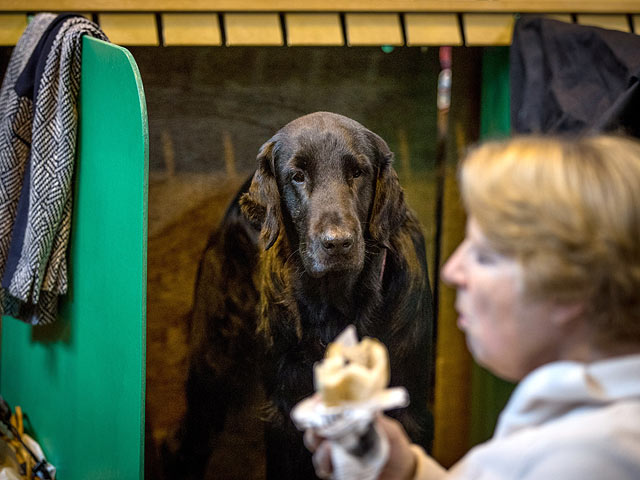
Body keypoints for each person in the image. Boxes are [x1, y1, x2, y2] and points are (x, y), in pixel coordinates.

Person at [304, 134, 640, 479]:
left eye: (484, 256)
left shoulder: (583, 462)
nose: (451, 272)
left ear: (572, 288)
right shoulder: (599, 427)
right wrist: (406, 470)